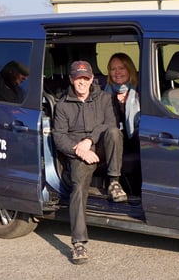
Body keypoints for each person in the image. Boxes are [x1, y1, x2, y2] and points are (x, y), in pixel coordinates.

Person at [53, 60, 128, 265]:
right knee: (78, 189)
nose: (82, 82)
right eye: (78, 78)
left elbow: (110, 124)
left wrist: (89, 141)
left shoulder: (104, 98)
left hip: (101, 148)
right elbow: (59, 137)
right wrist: (79, 150)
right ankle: (78, 243)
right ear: (71, 79)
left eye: (86, 78)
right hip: (79, 155)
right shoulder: (62, 105)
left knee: (114, 133)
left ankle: (114, 182)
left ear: (92, 79)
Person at [103, 52, 140, 152]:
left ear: (130, 70)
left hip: (137, 143)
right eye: (113, 69)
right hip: (113, 145)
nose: (117, 72)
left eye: (121, 68)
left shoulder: (141, 91)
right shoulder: (103, 94)